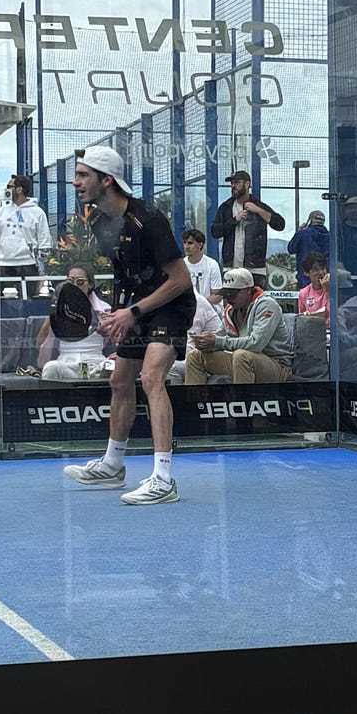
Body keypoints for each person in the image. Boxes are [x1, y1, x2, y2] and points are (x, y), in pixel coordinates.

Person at [63, 147, 193, 505]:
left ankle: (163, 479)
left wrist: (131, 313)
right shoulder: (97, 221)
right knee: (119, 380)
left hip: (171, 305)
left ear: (107, 179)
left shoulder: (148, 220)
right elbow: (125, 274)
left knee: (151, 377)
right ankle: (112, 465)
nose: (75, 182)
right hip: (137, 307)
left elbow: (181, 280)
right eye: (76, 175)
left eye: (83, 175)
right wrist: (117, 315)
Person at [183, 268, 293, 384]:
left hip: (277, 366)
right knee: (195, 356)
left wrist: (217, 341)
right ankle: (194, 396)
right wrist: (205, 343)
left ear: (248, 290)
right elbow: (219, 337)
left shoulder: (267, 305)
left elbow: (256, 344)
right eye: (226, 295)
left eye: (233, 294)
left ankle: (242, 396)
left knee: (241, 356)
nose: (229, 299)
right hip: (243, 360)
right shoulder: (230, 310)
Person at [36, 263, 112, 380]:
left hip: (94, 363)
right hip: (67, 364)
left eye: (80, 282)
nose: (75, 286)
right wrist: (52, 317)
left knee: (113, 366)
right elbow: (39, 344)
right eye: (70, 281)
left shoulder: (104, 309)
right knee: (51, 367)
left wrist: (108, 328)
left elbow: (115, 341)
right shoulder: (59, 309)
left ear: (90, 284)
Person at [210, 169, 284, 272]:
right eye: (232, 183)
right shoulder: (226, 207)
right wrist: (235, 220)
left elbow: (280, 225)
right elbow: (215, 231)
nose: (233, 186)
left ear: (247, 184)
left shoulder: (259, 205)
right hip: (230, 266)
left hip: (255, 267)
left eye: (237, 182)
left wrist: (259, 211)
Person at [0, 175, 51, 286]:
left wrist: (41, 266)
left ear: (19, 189)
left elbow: (44, 240)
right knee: (0, 296)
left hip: (27, 264)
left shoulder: (38, 213)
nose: (6, 189)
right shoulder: (2, 211)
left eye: (9, 186)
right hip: (2, 264)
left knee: (27, 296)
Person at [287, 210, 330, 286]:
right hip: (325, 277)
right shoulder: (330, 236)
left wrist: (298, 232)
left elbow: (291, 249)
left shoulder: (303, 234)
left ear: (310, 221)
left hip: (306, 277)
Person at [181, 228, 222, 298]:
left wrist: (202, 303)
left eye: (190, 243)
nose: (186, 247)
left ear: (200, 245)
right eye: (185, 243)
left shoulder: (212, 264)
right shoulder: (181, 265)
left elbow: (217, 295)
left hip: (209, 304)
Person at [296, 252, 331, 319]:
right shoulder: (304, 293)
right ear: (306, 273)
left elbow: (336, 312)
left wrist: (328, 291)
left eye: (322, 268)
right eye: (316, 270)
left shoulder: (334, 288)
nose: (320, 273)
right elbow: (302, 319)